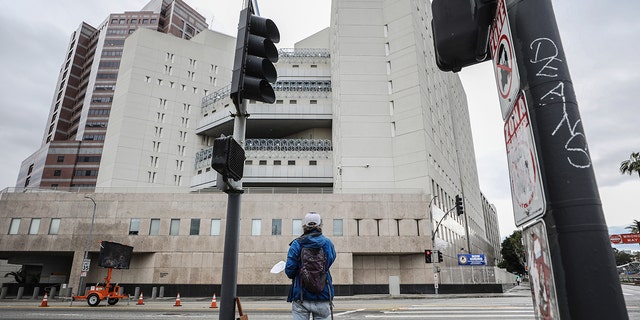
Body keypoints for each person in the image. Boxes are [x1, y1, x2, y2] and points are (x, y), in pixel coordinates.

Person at [286, 212, 336, 320]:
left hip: (301, 295)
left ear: (305, 226)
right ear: (320, 225)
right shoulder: (327, 243)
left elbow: (289, 271)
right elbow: (329, 262)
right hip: (323, 294)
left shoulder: (296, 244)